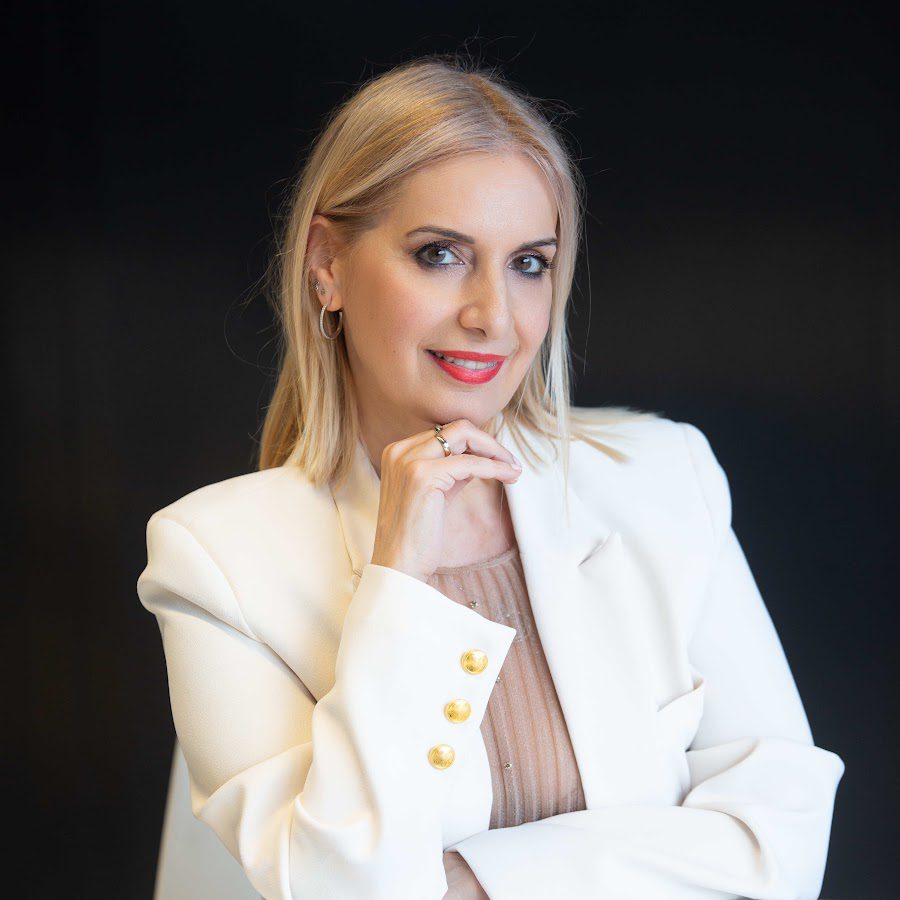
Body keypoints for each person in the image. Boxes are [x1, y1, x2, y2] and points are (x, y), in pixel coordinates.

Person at [136, 55, 845, 900]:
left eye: (528, 264)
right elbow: (341, 887)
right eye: (440, 254)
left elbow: (782, 838)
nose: (493, 316)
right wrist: (400, 582)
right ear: (326, 262)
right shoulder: (217, 559)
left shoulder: (665, 478)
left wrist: (475, 881)